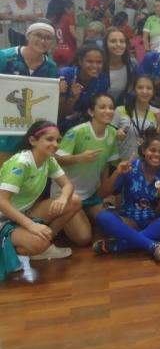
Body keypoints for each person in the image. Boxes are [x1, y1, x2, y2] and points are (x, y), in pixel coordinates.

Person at [0, 121, 84, 277]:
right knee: (38, 242)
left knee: (74, 201)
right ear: (33, 141)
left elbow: (67, 185)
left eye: (58, 140)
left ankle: (44, 246)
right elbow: (2, 201)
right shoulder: (21, 163)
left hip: (23, 214)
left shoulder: (48, 159)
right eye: (49, 139)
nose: (56, 144)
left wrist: (63, 198)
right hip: (3, 219)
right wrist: (31, 226)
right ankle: (14, 249)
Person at [93, 130, 160, 262]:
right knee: (103, 216)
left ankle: (115, 246)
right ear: (144, 150)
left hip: (151, 223)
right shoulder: (129, 167)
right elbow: (102, 194)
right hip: (127, 221)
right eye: (152, 150)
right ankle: (151, 245)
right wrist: (117, 172)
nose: (156, 154)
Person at [52, 92, 119, 241]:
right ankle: (60, 219)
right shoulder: (77, 132)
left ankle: (83, 215)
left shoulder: (113, 132)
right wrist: (79, 158)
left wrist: (103, 193)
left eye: (111, 107)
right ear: (91, 111)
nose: (108, 111)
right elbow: (55, 160)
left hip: (91, 195)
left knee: (113, 228)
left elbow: (107, 165)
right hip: (68, 195)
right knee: (84, 239)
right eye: (102, 107)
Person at [0, 21, 59, 163]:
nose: (42, 40)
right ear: (28, 36)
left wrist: (58, 88)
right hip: (5, 124)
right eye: (38, 35)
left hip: (30, 126)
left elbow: (48, 98)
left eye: (48, 37)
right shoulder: (5, 57)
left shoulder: (51, 66)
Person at [113, 74, 160, 161]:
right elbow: (107, 135)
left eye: (149, 88)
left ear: (153, 91)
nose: (144, 91)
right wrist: (115, 134)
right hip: (118, 164)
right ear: (134, 90)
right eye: (140, 87)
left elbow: (157, 146)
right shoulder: (120, 110)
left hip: (143, 166)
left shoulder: (158, 114)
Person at [58, 44, 110, 133]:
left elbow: (95, 111)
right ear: (80, 61)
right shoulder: (65, 75)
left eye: (99, 62)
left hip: (85, 125)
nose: (95, 66)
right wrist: (72, 99)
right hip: (58, 124)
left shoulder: (102, 80)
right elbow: (60, 113)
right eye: (90, 61)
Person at [104, 27, 136, 105]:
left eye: (122, 41)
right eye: (113, 41)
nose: (118, 44)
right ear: (106, 44)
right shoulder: (99, 65)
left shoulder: (132, 64)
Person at [49, 0, 78, 67]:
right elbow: (72, 31)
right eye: (73, 8)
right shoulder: (70, 17)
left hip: (57, 49)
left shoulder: (56, 19)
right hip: (69, 49)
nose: (74, 10)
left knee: (59, 70)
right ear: (66, 9)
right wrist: (81, 40)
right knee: (69, 70)